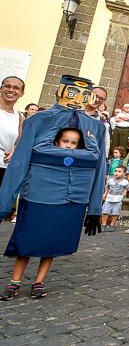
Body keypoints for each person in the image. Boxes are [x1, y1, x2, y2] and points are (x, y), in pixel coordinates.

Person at [0, 127, 99, 300]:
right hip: (39, 200)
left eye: (74, 143)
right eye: (65, 141)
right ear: (57, 141)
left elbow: (94, 153)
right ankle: (15, 282)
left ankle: (39, 282)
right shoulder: (44, 151)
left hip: (65, 203)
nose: (69, 146)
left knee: (50, 244)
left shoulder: (81, 159)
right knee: (26, 243)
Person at [0, 76, 24, 185]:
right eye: (7, 86)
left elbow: (20, 143)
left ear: (21, 93)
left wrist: (15, 151)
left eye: (16, 88)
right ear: (1, 88)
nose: (11, 90)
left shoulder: (19, 117)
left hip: (4, 166)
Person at [101, 165, 129, 232]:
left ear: (124, 174)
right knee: (105, 212)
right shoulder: (110, 180)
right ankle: (103, 224)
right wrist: (105, 194)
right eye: (115, 171)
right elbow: (107, 187)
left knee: (115, 213)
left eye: (119, 171)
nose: (116, 173)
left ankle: (112, 225)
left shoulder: (125, 182)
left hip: (117, 200)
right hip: (108, 199)